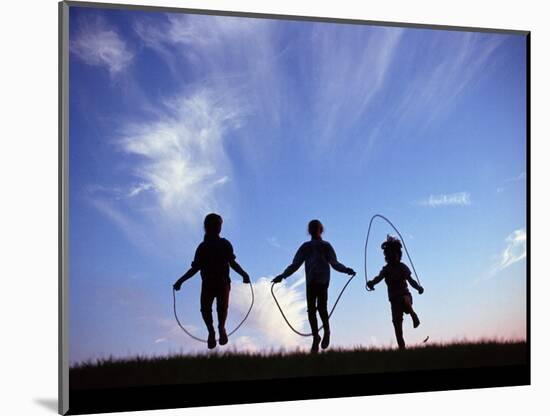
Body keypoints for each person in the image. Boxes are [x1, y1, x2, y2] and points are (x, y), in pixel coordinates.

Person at [272, 219, 356, 353]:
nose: (314, 230)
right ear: (310, 231)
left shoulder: (326, 246)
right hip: (311, 281)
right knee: (311, 310)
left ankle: (327, 331)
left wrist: (346, 269)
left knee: (322, 307)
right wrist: (282, 276)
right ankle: (316, 336)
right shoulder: (305, 247)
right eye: (312, 228)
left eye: (316, 227)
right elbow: (295, 265)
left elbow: (334, 263)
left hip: (322, 281)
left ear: (320, 230)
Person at [173, 213, 251, 349]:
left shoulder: (222, 244)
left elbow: (232, 263)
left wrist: (244, 274)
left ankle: (220, 328)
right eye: (216, 225)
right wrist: (180, 281)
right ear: (209, 227)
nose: (217, 227)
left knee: (219, 308)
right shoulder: (202, 247)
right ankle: (212, 331)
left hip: (221, 282)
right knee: (206, 309)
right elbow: (195, 268)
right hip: (211, 283)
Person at [366, 235, 424, 350]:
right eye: (391, 255)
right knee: (397, 326)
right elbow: (379, 278)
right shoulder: (386, 269)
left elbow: (411, 281)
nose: (394, 257)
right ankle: (402, 349)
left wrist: (418, 288)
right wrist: (372, 283)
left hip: (405, 295)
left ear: (399, 255)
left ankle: (413, 314)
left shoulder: (402, 267)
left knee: (405, 300)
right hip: (394, 300)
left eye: (396, 254)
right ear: (388, 256)